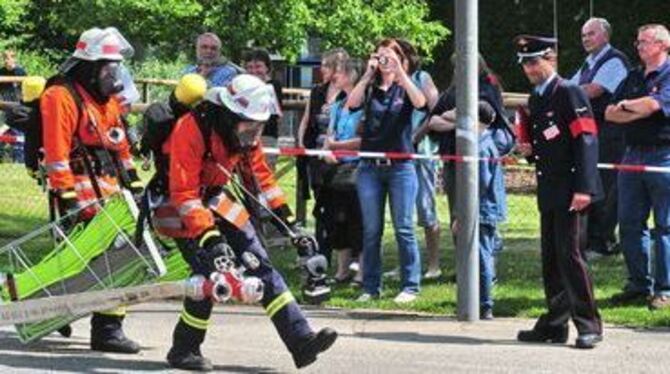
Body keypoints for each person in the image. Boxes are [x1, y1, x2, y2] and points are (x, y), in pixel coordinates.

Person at [162, 74, 337, 371]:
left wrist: (289, 223)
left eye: (260, 127)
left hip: (216, 198)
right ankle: (184, 349)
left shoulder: (243, 134)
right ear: (231, 116)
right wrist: (211, 239)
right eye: (250, 126)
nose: (255, 135)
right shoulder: (189, 128)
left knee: (260, 263)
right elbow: (184, 194)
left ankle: (301, 341)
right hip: (178, 205)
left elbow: (262, 180)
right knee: (209, 275)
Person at [40, 27, 144, 353]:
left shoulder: (107, 100)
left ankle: (106, 325)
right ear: (89, 66)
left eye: (116, 68)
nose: (113, 75)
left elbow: (119, 144)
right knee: (101, 255)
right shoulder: (60, 96)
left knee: (121, 252)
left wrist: (135, 184)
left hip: (108, 187)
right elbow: (56, 155)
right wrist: (67, 197)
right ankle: (101, 326)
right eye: (107, 68)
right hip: (79, 186)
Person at [514, 35, 603, 349]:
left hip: (572, 188)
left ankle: (589, 324)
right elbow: (547, 144)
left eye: (534, 61)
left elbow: (586, 140)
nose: (530, 69)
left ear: (550, 59)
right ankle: (555, 323)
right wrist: (528, 150)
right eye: (525, 63)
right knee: (551, 260)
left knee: (572, 257)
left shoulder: (569, 91)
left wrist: (584, 188)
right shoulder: (537, 97)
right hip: (550, 189)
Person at [346, 38, 426, 304]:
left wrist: (400, 72)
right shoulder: (370, 88)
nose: (384, 62)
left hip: (401, 167)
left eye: (389, 56)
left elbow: (421, 102)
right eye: (380, 57)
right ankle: (371, 286)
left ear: (401, 59)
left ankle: (410, 285)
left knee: (404, 227)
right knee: (371, 230)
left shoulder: (405, 87)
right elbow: (351, 105)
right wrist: (368, 74)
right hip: (370, 167)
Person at [605, 24, 670, 310]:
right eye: (638, 41)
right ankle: (638, 283)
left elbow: (655, 106)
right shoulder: (633, 76)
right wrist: (638, 107)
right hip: (631, 155)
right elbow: (609, 113)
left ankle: (664, 289)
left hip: (663, 156)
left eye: (644, 41)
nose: (639, 46)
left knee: (665, 225)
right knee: (629, 222)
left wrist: (628, 108)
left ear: (662, 44)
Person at [570, 17, 630, 258]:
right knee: (590, 182)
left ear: (605, 35)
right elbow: (570, 86)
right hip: (592, 133)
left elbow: (594, 90)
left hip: (611, 134)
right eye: (584, 35)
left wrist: (564, 93)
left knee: (606, 186)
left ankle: (602, 242)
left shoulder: (614, 60)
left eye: (591, 34)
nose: (585, 39)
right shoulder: (588, 63)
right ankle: (590, 240)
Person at [450, 102, 506, 320]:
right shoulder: (487, 141)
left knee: (480, 255)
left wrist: (463, 214)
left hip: (481, 209)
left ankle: (484, 303)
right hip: (488, 207)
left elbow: (479, 183)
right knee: (484, 252)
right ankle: (482, 301)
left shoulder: (480, 147)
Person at [297, 48, 349, 264]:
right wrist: (301, 143)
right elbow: (307, 119)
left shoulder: (350, 92)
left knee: (340, 210)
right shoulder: (317, 91)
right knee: (320, 207)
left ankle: (345, 256)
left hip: (340, 161)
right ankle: (321, 253)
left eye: (326, 65)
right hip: (316, 158)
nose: (322, 69)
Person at [321, 59, 364, 284]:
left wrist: (337, 147)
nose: (334, 76)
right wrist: (328, 151)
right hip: (336, 169)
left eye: (339, 72)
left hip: (358, 169)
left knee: (358, 219)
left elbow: (364, 139)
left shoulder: (365, 104)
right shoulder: (337, 105)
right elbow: (330, 135)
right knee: (337, 219)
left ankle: (362, 271)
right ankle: (342, 270)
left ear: (352, 74)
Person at [243, 47, 283, 169]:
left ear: (267, 67)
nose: (254, 70)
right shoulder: (242, 85)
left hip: (267, 136)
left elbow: (274, 114)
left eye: (258, 66)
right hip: (245, 136)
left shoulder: (273, 85)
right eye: (250, 67)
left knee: (265, 175)